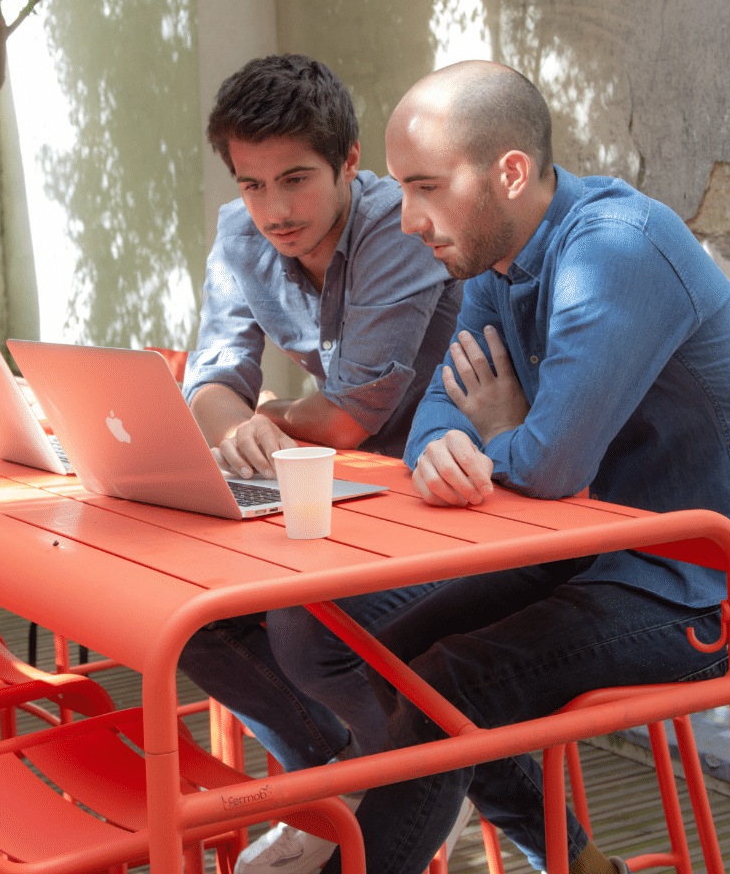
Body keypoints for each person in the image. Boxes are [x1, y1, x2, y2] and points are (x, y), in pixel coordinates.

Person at [275, 60, 730, 874]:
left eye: (425, 187)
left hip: (723, 588)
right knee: (389, 659)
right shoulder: (498, 258)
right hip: (605, 552)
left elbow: (550, 464)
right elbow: (445, 408)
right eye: (400, 189)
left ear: (510, 172)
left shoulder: (616, 249)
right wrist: (447, 445)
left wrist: (509, 434)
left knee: (453, 684)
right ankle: (576, 863)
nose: (407, 220)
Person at [177, 54, 464, 874]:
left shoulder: (397, 228)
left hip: (443, 491)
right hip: (342, 498)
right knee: (197, 615)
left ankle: (397, 777)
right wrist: (237, 424)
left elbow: (353, 411)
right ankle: (337, 781)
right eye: (251, 184)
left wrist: (261, 419)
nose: (274, 209)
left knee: (305, 629)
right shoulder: (243, 235)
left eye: (295, 179)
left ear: (349, 161)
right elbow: (211, 379)